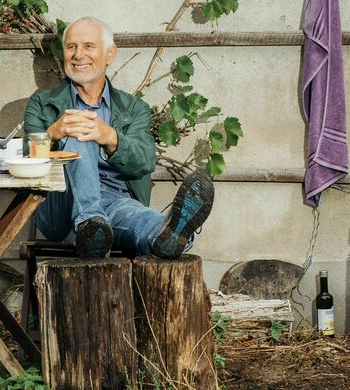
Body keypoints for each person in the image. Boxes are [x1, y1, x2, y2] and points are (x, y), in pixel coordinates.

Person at [23, 17, 214, 258]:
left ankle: (169, 235)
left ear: (110, 54)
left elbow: (144, 162)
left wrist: (111, 137)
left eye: (88, 46)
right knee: (79, 132)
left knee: (143, 221)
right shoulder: (43, 103)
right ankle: (89, 221)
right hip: (60, 205)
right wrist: (53, 133)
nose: (78, 55)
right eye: (71, 47)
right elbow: (22, 157)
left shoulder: (133, 108)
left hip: (115, 200)